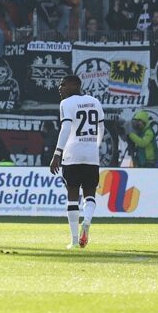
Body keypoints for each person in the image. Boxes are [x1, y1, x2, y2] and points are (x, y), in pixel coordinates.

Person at [50, 74, 104, 249]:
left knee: (72, 194)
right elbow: (101, 128)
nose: (60, 88)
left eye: (63, 84)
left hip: (72, 153)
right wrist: (95, 146)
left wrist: (57, 153)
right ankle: (87, 220)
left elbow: (66, 128)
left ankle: (74, 240)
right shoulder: (95, 102)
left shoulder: (66, 103)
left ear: (75, 85)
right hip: (91, 154)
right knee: (90, 195)